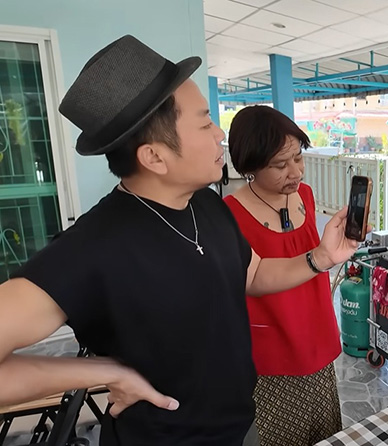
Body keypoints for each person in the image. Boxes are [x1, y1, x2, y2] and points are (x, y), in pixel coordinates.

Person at [0, 35, 359, 446]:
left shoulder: (206, 204)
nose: (220, 134)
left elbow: (252, 272)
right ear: (154, 157)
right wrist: (106, 373)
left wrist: (320, 257)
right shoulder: (96, 245)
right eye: (205, 122)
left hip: (242, 427)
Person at [222, 105, 342, 446]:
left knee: (327, 434)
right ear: (250, 165)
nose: (296, 172)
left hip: (317, 339)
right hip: (272, 356)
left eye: (298, 158)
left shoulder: (303, 195)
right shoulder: (229, 216)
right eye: (280, 164)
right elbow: (251, 279)